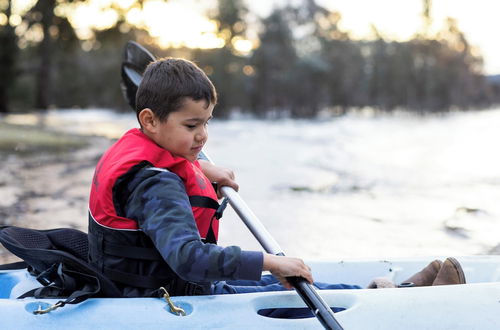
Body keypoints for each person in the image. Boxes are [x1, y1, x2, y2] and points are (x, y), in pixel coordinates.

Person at [87, 57, 465, 300]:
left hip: (164, 283)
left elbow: (150, 185)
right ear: (150, 120)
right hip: (167, 296)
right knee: (283, 287)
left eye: (206, 123)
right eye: (191, 125)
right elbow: (189, 258)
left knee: (285, 285)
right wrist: (270, 262)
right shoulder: (157, 185)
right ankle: (398, 298)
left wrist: (196, 168)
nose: (203, 137)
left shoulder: (146, 161)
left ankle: (397, 292)